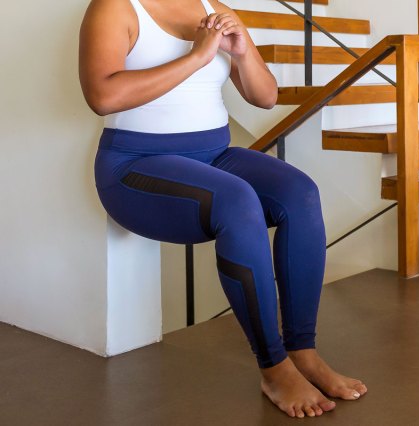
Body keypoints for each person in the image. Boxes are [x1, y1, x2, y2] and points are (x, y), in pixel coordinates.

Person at [78, 0, 367, 419]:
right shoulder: (115, 8)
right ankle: (273, 367)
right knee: (236, 199)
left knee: (299, 193)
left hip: (213, 155)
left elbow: (266, 97)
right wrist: (198, 57)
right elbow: (103, 96)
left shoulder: (215, 8)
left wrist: (242, 49)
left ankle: (302, 350)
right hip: (133, 166)